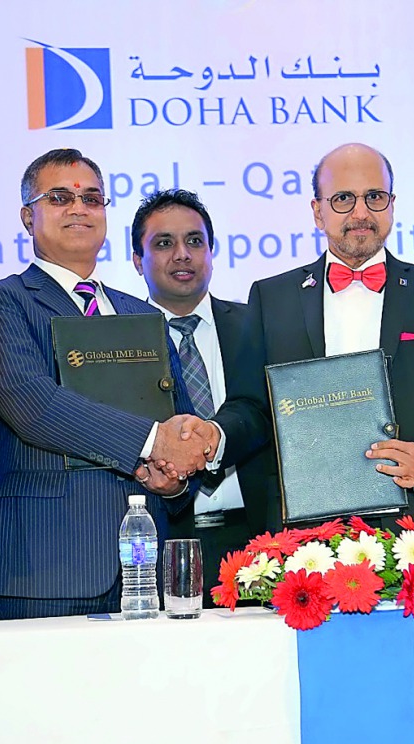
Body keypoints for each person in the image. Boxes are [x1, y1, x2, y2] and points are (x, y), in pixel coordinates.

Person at [211, 143, 414, 539]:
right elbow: (250, 407)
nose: (361, 213)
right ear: (318, 211)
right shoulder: (272, 298)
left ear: (392, 205)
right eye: (343, 199)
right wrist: (213, 436)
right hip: (304, 534)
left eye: (375, 197)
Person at [0, 148, 207, 619]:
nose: (79, 208)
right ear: (27, 216)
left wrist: (175, 481)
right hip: (44, 566)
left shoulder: (141, 313)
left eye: (92, 198)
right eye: (60, 197)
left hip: (146, 567)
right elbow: (35, 407)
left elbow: (179, 421)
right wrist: (153, 442)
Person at [131, 189, 269, 605]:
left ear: (212, 251)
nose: (182, 254)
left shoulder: (257, 326)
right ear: (137, 260)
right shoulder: (119, 339)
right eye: (163, 243)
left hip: (259, 543)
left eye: (195, 241)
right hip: (162, 544)